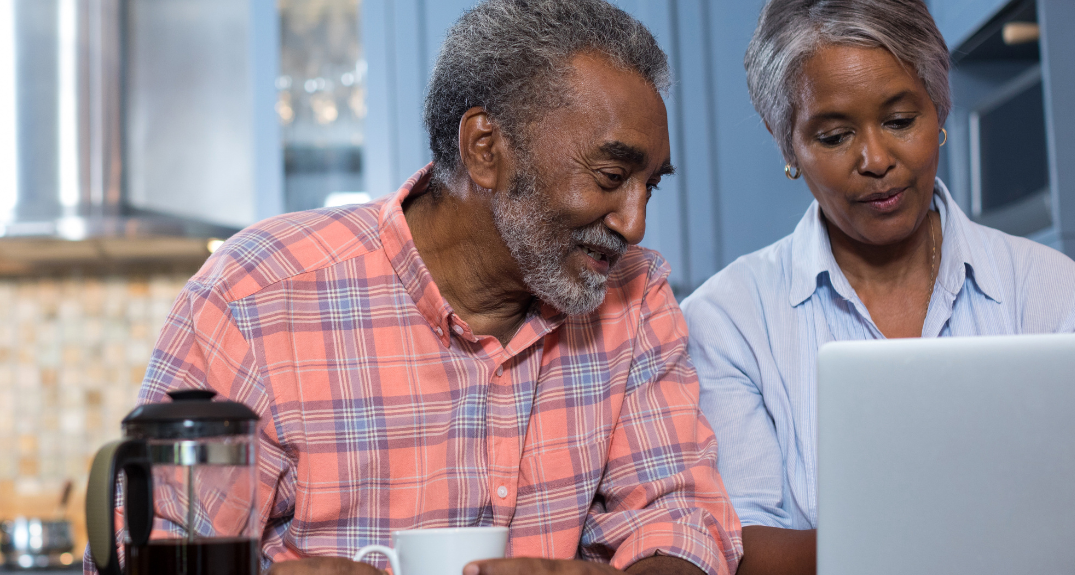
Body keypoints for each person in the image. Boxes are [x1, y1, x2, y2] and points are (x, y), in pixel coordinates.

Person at [92, 1, 745, 574]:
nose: (635, 224)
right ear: (486, 148)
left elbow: (682, 517)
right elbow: (155, 548)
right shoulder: (255, 298)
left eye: (650, 185)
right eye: (610, 176)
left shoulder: (634, 297)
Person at [681, 1, 1075, 574]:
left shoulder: (1051, 289)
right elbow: (742, 546)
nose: (876, 160)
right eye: (836, 135)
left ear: (940, 107)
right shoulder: (728, 321)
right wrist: (972, 539)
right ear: (787, 143)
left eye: (899, 121)